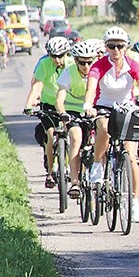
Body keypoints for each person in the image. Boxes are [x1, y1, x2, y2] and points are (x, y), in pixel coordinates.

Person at [83, 26, 139, 223]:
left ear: (126, 47)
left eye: (120, 46)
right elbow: (91, 87)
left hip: (126, 107)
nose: (116, 50)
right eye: (111, 46)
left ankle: (135, 203)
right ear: (106, 47)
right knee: (103, 127)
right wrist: (88, 104)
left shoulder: (134, 64)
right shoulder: (99, 65)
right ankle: (97, 164)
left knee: (130, 156)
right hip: (103, 106)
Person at [23, 36, 74, 188]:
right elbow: (37, 86)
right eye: (53, 56)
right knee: (51, 136)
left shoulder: (73, 64)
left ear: (67, 54)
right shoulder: (44, 64)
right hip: (49, 105)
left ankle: (74, 169)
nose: (57, 60)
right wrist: (29, 105)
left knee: (73, 135)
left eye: (60, 56)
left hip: (68, 105)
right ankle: (51, 173)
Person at [55, 41, 97, 199]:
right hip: (73, 112)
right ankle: (75, 182)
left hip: (93, 112)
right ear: (75, 60)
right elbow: (59, 99)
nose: (86, 66)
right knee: (76, 138)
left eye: (89, 62)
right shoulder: (69, 72)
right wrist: (63, 113)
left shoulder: (97, 71)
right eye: (81, 62)